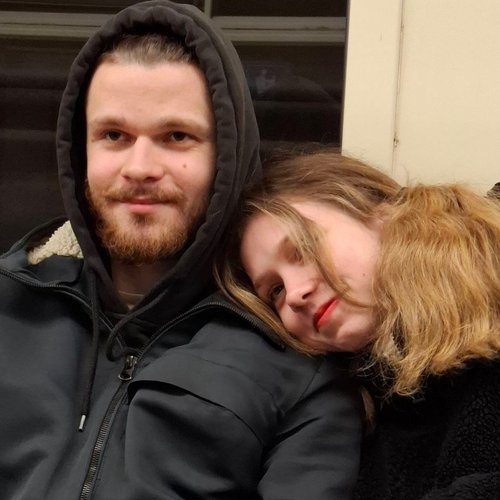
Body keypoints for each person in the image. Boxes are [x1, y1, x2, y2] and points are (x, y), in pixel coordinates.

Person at [0, 3, 362, 499]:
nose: (140, 167)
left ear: (226, 158)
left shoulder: (297, 363)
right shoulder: (11, 301)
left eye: (176, 137)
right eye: (113, 136)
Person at [215, 148, 500, 499]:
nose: (294, 294)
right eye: (275, 290)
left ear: (380, 213)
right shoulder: (361, 410)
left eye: (305, 247)